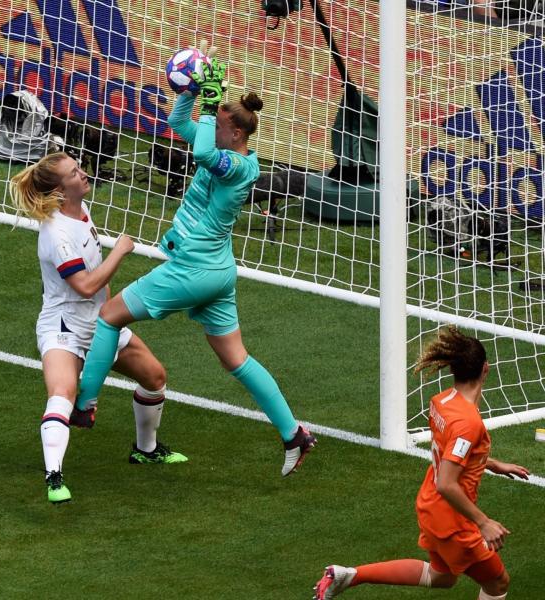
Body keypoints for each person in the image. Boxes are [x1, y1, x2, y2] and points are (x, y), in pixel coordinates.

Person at [75, 43, 315, 477]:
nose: (211, 128)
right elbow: (177, 123)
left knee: (109, 317)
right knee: (236, 359)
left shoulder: (241, 167)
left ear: (236, 135)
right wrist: (194, 93)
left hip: (194, 270)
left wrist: (208, 103)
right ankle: (293, 434)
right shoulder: (222, 147)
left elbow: (204, 152)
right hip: (216, 271)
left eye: (219, 124)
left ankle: (84, 404)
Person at [10, 152, 187, 504]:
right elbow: (86, 285)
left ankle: (146, 449)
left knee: (154, 377)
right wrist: (119, 251)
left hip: (99, 323)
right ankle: (54, 477)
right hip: (64, 327)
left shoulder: (79, 211)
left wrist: (110, 315)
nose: (84, 174)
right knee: (63, 394)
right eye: (75, 173)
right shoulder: (57, 234)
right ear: (60, 191)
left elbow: (95, 286)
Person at [313, 327, 530, 600]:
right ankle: (349, 577)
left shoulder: (442, 402)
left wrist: (490, 463)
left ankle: (350, 575)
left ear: (453, 369)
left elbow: (452, 451)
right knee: (497, 583)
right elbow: (447, 484)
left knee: (442, 576)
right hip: (452, 519)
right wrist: (483, 522)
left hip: (429, 507)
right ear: (485, 369)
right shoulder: (468, 423)